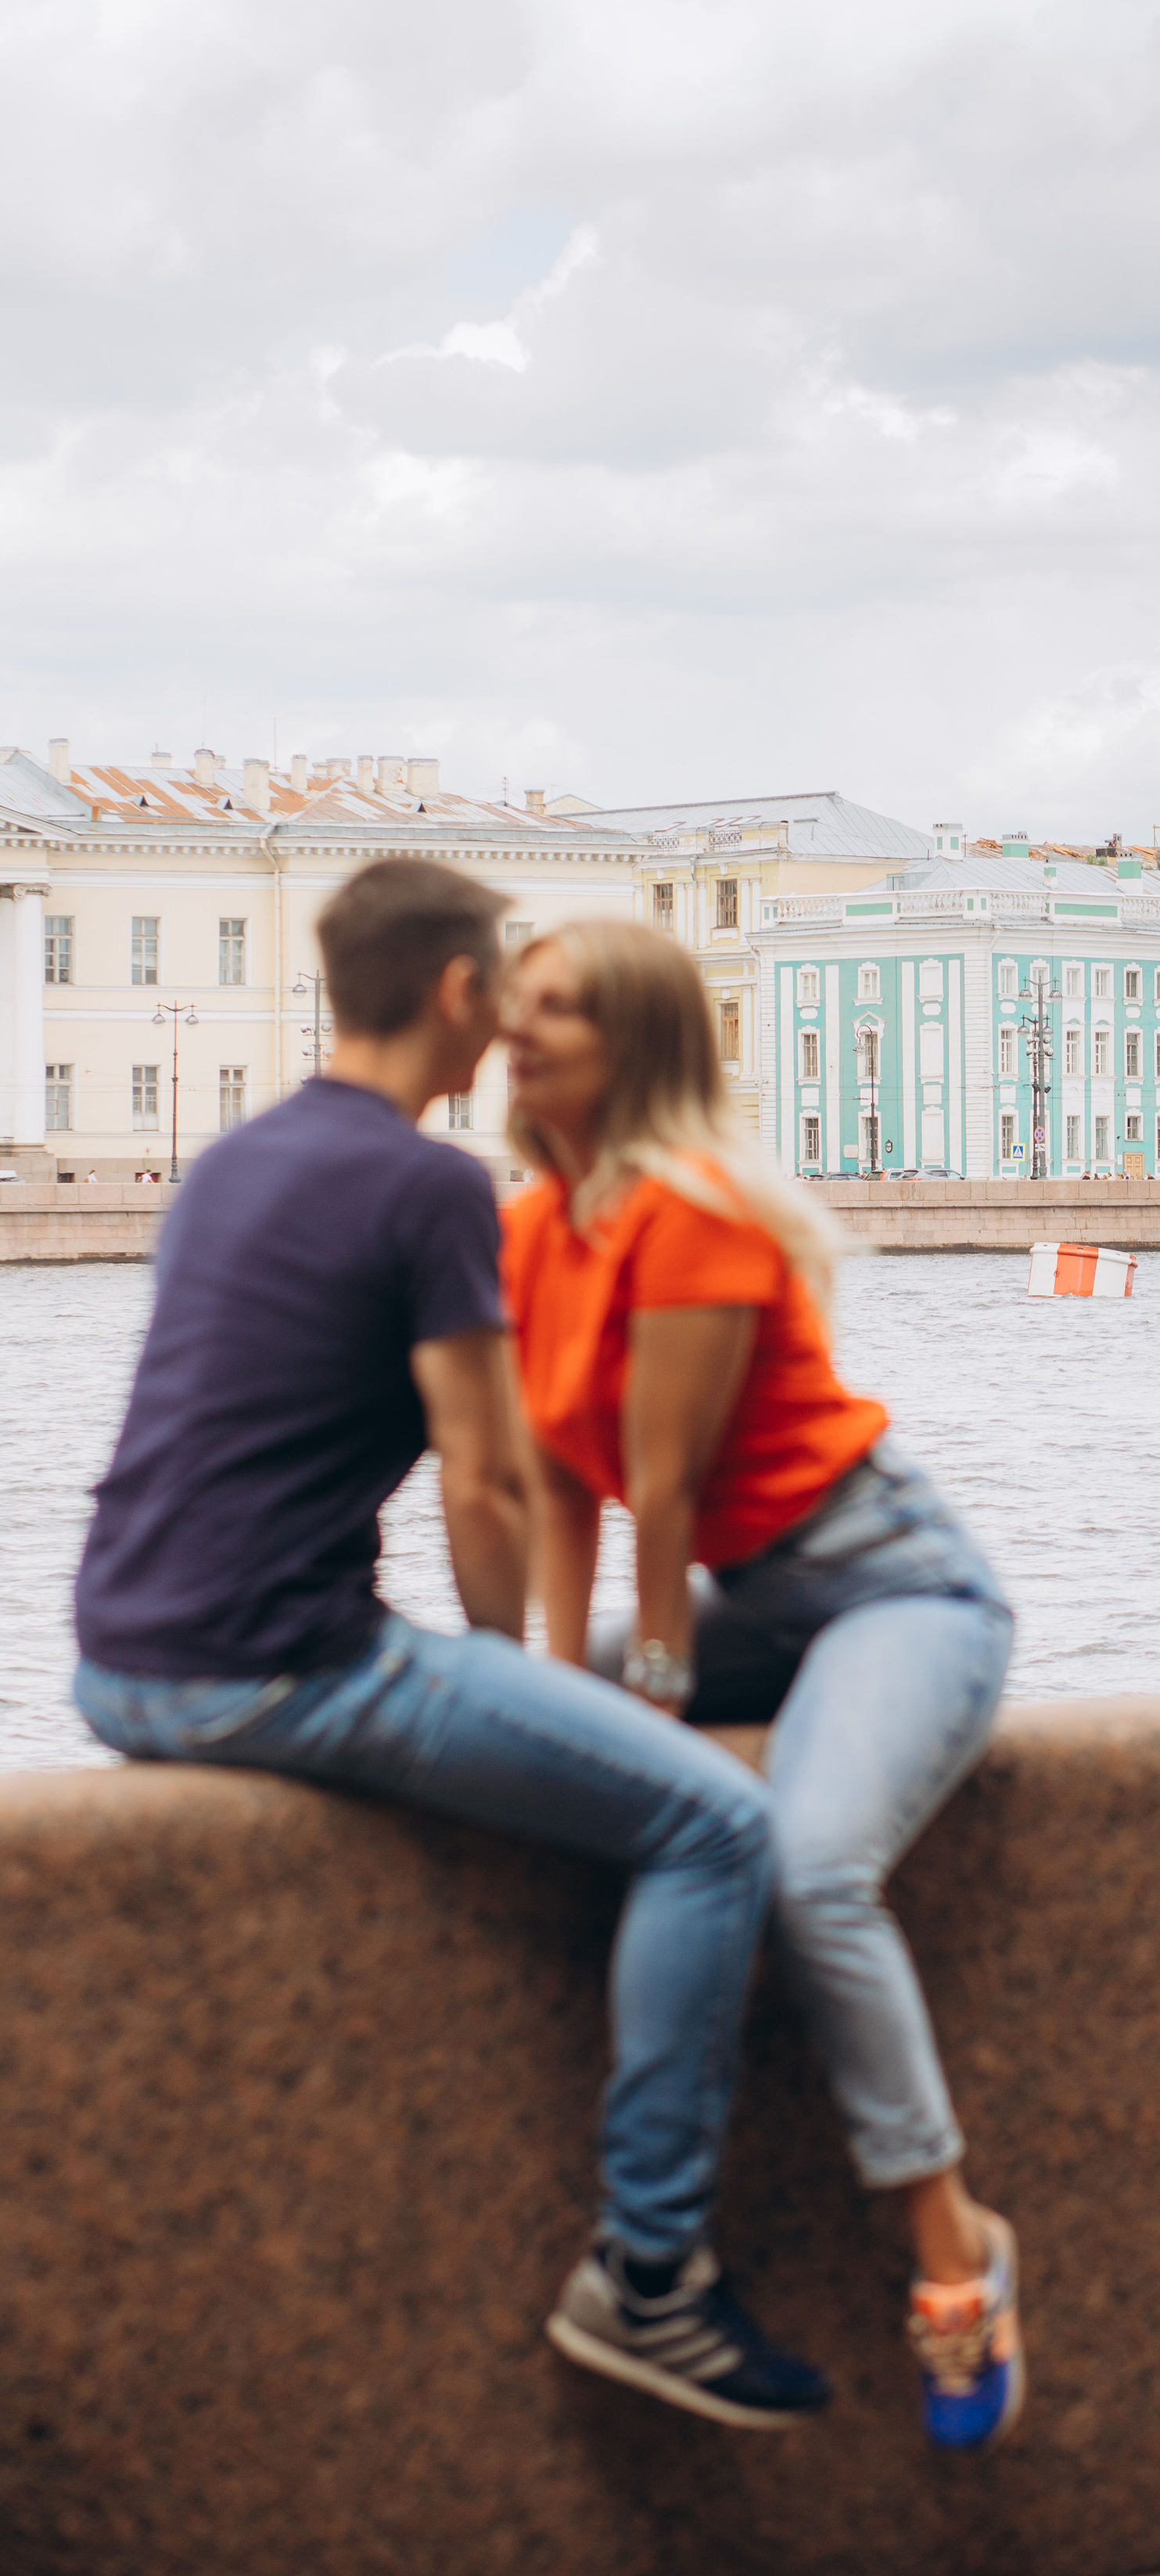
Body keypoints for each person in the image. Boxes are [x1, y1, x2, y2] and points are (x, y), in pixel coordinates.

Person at [73, 858, 827, 2432]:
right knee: (713, 1821)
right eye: (502, 992)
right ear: (456, 997)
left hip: (118, 1653)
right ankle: (652, 2275)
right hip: (273, 1662)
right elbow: (485, 1476)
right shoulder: (427, 1187)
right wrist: (520, 1676)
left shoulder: (231, 1161)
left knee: (646, 1730)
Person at [501, 921, 1023, 2451]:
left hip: (892, 1585)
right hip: (753, 1606)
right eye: (514, 1008)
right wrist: (550, 1700)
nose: (518, 1037)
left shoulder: (698, 1215)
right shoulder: (529, 1232)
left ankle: (951, 2247)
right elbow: (559, 1499)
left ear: (638, 1049)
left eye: (559, 1015)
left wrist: (633, 1721)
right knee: (444, 1718)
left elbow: (659, 1501)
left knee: (811, 1869)